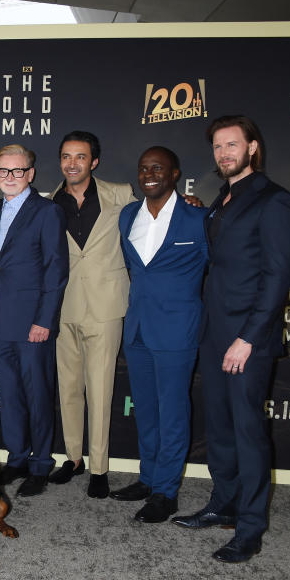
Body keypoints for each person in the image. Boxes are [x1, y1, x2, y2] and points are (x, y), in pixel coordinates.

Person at [172, 116, 290, 563]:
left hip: (248, 338)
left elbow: (277, 276)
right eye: (218, 147)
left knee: (247, 433)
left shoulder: (275, 201)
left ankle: (249, 528)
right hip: (214, 332)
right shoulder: (222, 200)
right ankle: (223, 505)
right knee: (220, 430)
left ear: (253, 148)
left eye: (233, 145)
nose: (224, 153)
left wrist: (248, 337)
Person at [111, 147, 208, 522]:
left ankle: (166, 492)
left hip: (176, 331)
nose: (149, 174)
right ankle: (148, 479)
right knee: (147, 412)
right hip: (136, 329)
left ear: (175, 173)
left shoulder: (198, 218)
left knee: (172, 413)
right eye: (143, 168)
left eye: (158, 168)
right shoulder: (127, 216)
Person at [47, 131, 135, 499]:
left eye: (80, 157)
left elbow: (157, 222)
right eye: (66, 156)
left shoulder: (122, 194)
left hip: (105, 306)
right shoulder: (50, 201)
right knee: (69, 388)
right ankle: (73, 458)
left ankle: (99, 467)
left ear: (93, 162)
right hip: (64, 304)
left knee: (100, 389)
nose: (72, 163)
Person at [0, 144, 68, 497]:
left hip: (34, 324)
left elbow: (56, 270)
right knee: (12, 395)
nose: (9, 177)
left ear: (31, 174)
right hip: (0, 324)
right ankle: (17, 457)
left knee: (38, 395)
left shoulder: (47, 211)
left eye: (17, 171)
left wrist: (44, 320)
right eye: (3, 171)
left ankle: (40, 463)